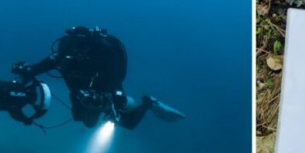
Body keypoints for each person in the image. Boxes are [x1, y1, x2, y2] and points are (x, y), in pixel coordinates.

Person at [12, 26, 185, 128]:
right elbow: (39, 68)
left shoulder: (105, 54)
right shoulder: (64, 54)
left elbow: (116, 78)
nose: (78, 53)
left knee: (127, 123)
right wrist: (24, 71)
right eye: (74, 48)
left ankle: (148, 102)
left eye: (82, 48)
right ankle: (95, 106)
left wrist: (112, 99)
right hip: (80, 91)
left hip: (106, 88)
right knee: (85, 121)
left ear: (90, 47)